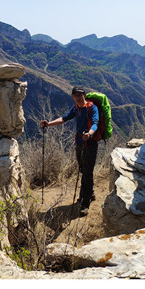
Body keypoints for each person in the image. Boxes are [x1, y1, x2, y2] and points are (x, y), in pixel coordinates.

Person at [41, 86, 100, 215]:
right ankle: (90, 193)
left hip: (89, 143)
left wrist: (89, 134)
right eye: (75, 95)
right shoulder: (76, 108)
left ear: (84, 95)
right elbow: (63, 119)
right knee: (82, 170)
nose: (78, 97)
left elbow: (95, 123)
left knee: (87, 173)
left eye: (80, 95)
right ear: (73, 96)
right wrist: (48, 124)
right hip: (79, 142)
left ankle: (85, 203)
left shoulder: (92, 108)